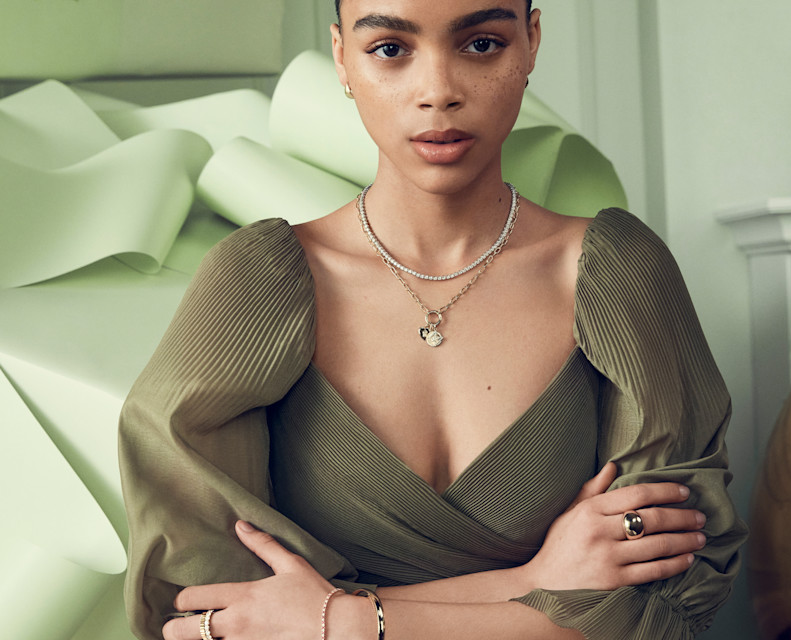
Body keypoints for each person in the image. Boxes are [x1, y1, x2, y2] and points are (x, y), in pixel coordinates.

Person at [119, 1, 748, 638]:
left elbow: (665, 602)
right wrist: (531, 582)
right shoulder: (260, 283)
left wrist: (340, 621)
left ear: (530, 42)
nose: (438, 93)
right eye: (391, 49)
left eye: (480, 45)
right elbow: (210, 615)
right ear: (342, 55)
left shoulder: (617, 271)